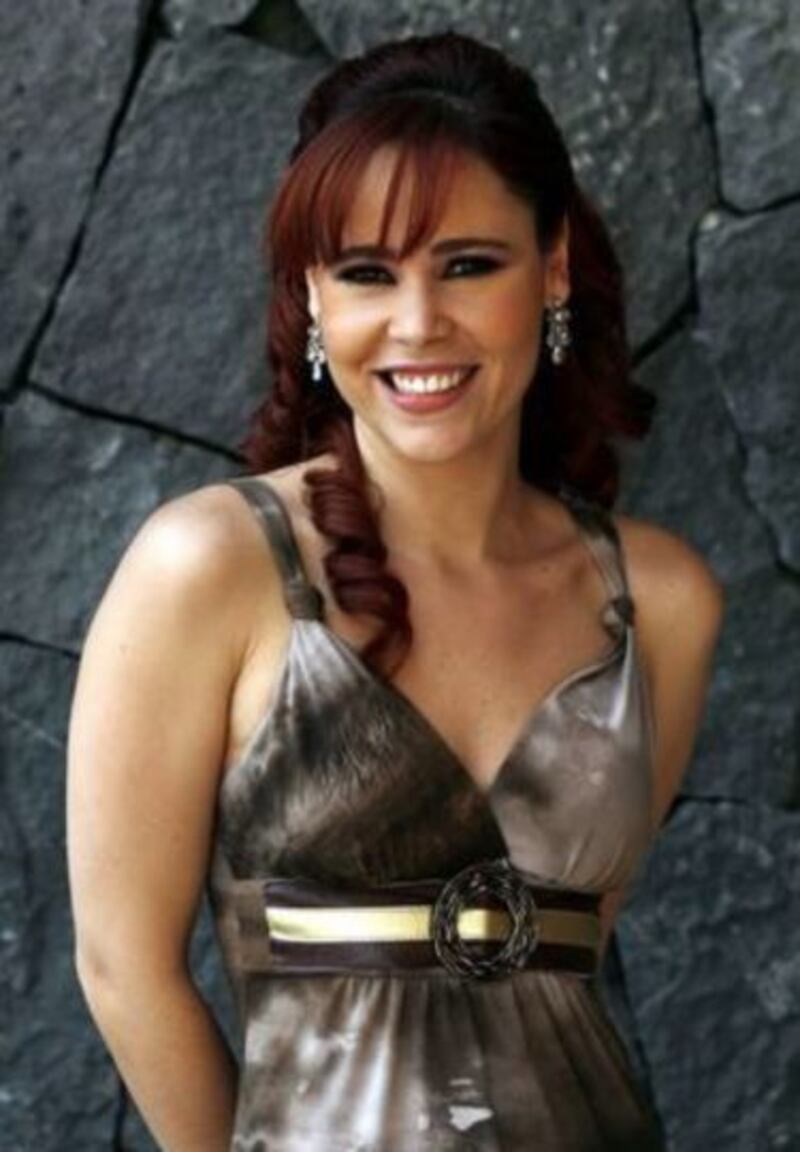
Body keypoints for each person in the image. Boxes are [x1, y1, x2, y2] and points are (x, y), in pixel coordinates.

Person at [67, 29, 725, 1151]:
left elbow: (559, 981)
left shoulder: (660, 601)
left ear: (552, 268)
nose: (419, 323)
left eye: (468, 265)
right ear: (313, 295)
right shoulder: (210, 568)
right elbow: (123, 968)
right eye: (367, 273)